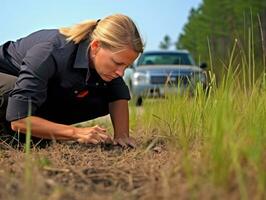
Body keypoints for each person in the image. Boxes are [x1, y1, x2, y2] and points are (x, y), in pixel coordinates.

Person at [0, 14, 144, 148]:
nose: (121, 72)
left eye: (126, 66)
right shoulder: (50, 51)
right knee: (13, 93)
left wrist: (122, 136)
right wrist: (76, 133)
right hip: (6, 78)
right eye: (117, 63)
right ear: (96, 46)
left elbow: (117, 95)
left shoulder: (105, 66)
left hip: (32, 95)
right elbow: (18, 119)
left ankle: (36, 136)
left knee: (100, 99)